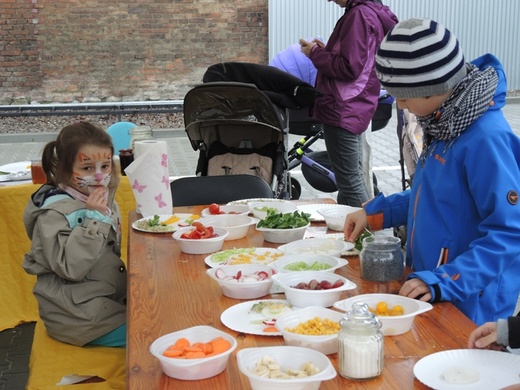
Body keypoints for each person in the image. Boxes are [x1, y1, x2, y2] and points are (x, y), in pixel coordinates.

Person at [344, 18, 520, 325]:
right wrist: (377, 212)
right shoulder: (445, 121)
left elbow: (509, 232)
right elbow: (434, 194)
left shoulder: (484, 139)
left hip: (469, 302)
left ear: (432, 89)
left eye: (404, 96)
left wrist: (446, 279)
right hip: (433, 285)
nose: (399, 105)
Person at [23, 121, 127, 347]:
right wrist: (94, 220)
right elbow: (71, 267)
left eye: (105, 166)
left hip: (104, 303)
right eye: (87, 168)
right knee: (155, 335)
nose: (99, 177)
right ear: (63, 169)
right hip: (77, 318)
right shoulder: (54, 213)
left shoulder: (96, 199)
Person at [299, 0, 397, 206]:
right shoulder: (369, 12)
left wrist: (315, 54)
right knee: (351, 181)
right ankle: (351, 234)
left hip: (342, 107)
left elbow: (348, 68)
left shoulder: (358, 16)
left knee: (351, 185)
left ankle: (365, 235)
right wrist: (328, 51)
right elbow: (358, 62)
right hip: (353, 105)